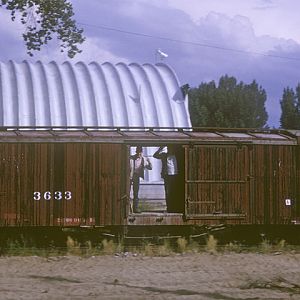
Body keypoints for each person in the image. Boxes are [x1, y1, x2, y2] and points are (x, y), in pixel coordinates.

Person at [153, 145, 178, 213]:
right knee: (167, 192)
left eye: (171, 148)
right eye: (169, 148)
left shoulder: (177, 155)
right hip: (167, 176)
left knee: (174, 192)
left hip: (175, 176)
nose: (170, 150)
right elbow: (155, 155)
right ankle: (169, 208)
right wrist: (160, 148)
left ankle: (174, 208)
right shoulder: (164, 155)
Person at [129, 146, 152, 213]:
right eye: (138, 151)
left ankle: (135, 208)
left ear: (142, 152)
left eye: (140, 152)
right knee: (127, 192)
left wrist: (149, 161)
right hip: (130, 175)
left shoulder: (144, 159)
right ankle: (127, 208)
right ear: (136, 151)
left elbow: (150, 168)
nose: (139, 153)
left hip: (137, 176)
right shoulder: (131, 158)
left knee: (136, 192)